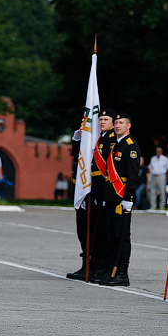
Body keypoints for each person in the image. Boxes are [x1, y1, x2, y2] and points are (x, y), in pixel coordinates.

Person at [67, 109, 116, 282]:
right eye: (100, 119)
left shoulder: (109, 140)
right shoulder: (91, 139)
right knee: (83, 228)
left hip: (97, 190)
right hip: (84, 189)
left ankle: (97, 265)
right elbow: (77, 156)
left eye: (105, 119)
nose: (102, 121)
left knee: (97, 230)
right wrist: (79, 136)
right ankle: (86, 263)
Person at [93, 112, 141, 286]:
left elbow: (133, 175)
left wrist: (128, 197)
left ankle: (122, 273)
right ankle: (111, 270)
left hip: (122, 197)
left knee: (122, 236)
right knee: (111, 235)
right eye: (117, 123)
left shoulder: (131, 146)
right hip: (111, 196)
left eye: (121, 123)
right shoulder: (115, 146)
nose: (118, 125)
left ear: (129, 126)